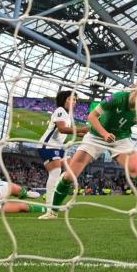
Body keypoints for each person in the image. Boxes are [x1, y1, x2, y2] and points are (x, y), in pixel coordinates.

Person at [49, 78, 137, 221]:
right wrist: (104, 134)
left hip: (120, 139)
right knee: (70, 175)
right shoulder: (117, 97)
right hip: (96, 135)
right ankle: (53, 212)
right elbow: (92, 116)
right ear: (134, 87)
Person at [39, 90, 90, 219]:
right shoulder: (60, 110)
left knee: (70, 170)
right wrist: (80, 130)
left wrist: (82, 133)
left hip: (58, 146)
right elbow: (62, 129)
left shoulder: (66, 115)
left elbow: (64, 132)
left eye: (76, 100)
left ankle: (54, 200)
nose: (74, 102)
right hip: (48, 145)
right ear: (64, 100)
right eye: (71, 99)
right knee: (55, 173)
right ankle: (50, 207)